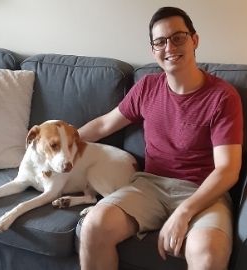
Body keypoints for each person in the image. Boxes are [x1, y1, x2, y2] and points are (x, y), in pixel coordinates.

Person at [78, 6, 243, 270]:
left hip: (203, 192)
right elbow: (105, 123)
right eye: (161, 41)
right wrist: (62, 141)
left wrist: (185, 210)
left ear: (194, 40)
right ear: (153, 50)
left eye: (178, 37)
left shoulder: (222, 97)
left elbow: (228, 169)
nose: (170, 47)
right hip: (149, 186)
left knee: (208, 253)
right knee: (93, 226)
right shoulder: (146, 87)